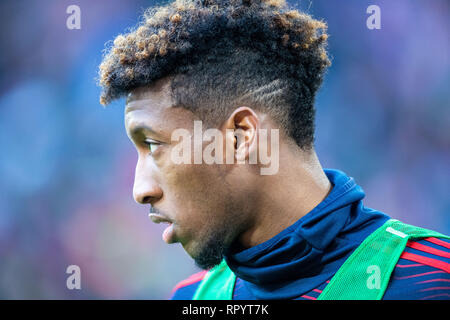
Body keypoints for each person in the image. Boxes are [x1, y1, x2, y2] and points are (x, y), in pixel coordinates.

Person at [97, 0, 450, 300]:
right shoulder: (191, 297)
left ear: (240, 136)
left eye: (154, 145)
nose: (140, 190)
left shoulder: (435, 280)